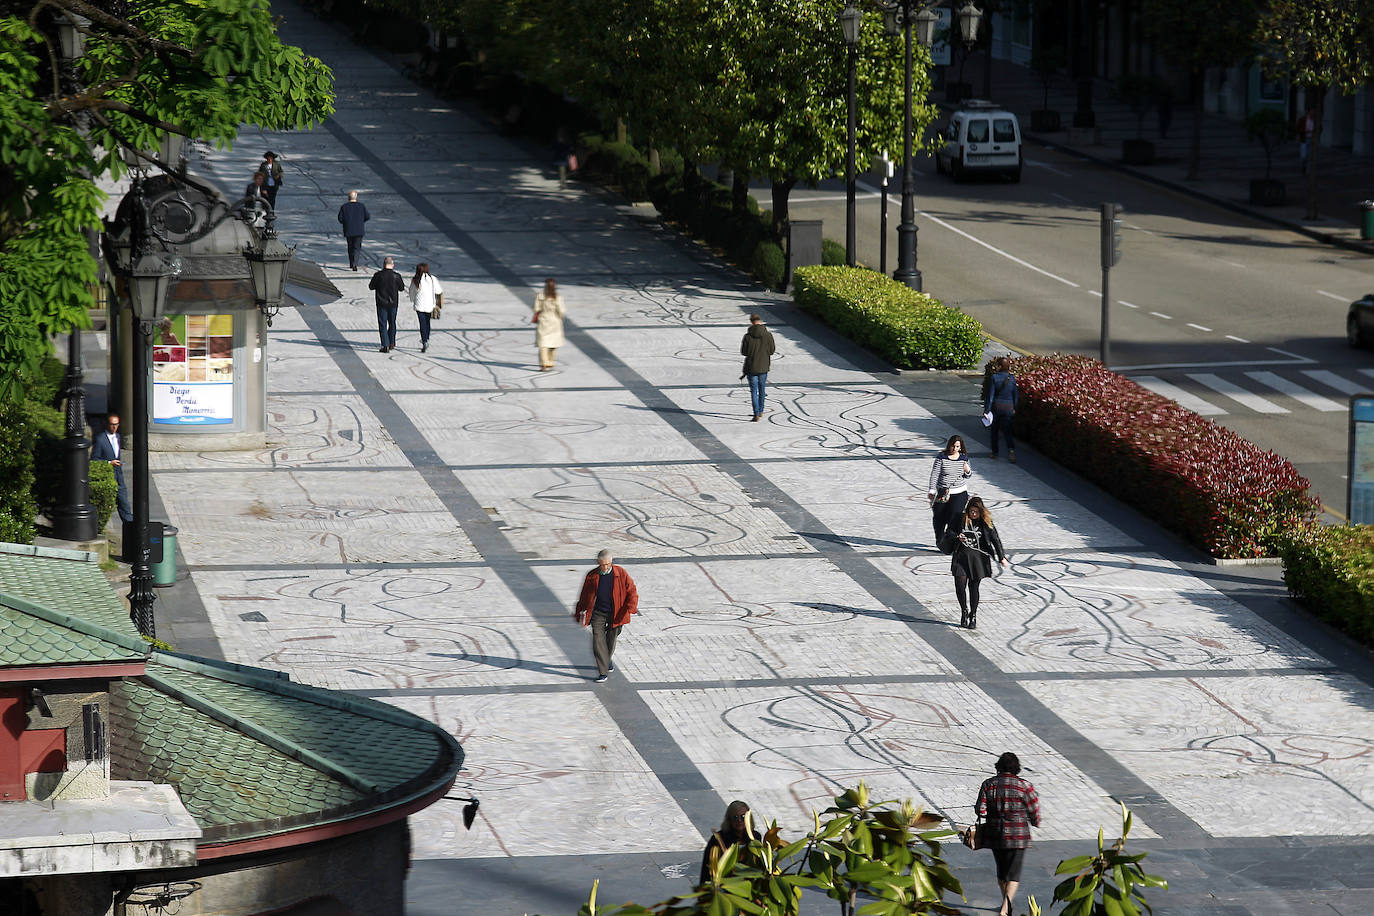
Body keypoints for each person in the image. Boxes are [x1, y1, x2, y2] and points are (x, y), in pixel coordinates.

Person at [975, 752, 1041, 916]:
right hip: (1018, 835)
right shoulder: (1024, 786)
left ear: (998, 767)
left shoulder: (988, 784)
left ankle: (1006, 903)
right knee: (1014, 873)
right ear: (1016, 768)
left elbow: (981, 809)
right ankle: (1005, 909)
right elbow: (1034, 809)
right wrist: (1035, 821)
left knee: (1002, 871)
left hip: (995, 833)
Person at [939, 496, 1007, 629]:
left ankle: (973, 615)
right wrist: (957, 536)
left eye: (976, 512)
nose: (973, 514)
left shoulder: (986, 522)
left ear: (981, 512)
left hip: (978, 559)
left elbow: (995, 539)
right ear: (968, 509)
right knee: (960, 585)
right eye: (971, 511)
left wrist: (1001, 557)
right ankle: (964, 611)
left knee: (973, 587)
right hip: (961, 557)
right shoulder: (959, 518)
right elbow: (949, 531)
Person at [572, 549, 639, 683]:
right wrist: (579, 611)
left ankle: (606, 660)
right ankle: (602, 672)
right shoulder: (591, 576)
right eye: (602, 564)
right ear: (598, 563)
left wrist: (631, 607)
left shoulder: (621, 573)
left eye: (607, 564)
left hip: (616, 612)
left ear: (611, 562)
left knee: (611, 638)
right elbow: (584, 595)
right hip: (598, 613)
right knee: (598, 639)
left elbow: (631, 590)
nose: (605, 567)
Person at [699, 800, 761, 887]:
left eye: (743, 817)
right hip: (724, 886)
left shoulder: (755, 837)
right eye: (735, 817)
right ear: (729, 819)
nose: (739, 820)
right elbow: (707, 867)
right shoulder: (718, 839)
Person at [928, 434, 973, 544]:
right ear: (949, 445)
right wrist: (932, 490)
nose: (954, 449)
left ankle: (952, 541)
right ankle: (940, 539)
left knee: (955, 517)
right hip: (943, 492)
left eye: (957, 446)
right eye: (953, 446)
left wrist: (967, 470)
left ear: (960, 447)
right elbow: (935, 474)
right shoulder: (941, 457)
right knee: (939, 517)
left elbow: (968, 475)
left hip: (959, 492)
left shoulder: (963, 458)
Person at [90, 413, 132, 524]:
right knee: (106, 506)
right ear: (107, 424)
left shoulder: (118, 437)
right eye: (112, 424)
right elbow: (94, 460)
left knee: (124, 504)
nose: (114, 427)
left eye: (116, 424)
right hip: (108, 476)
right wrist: (109, 463)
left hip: (119, 477)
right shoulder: (100, 439)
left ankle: (129, 526)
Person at [740, 313, 775, 422]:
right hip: (763, 366)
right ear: (760, 321)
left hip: (751, 367)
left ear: (751, 322)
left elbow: (744, 352)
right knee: (762, 389)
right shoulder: (768, 335)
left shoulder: (747, 336)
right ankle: (761, 411)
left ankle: (756, 414)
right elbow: (772, 351)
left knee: (754, 391)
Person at [984, 356, 1018, 463]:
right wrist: (1014, 408)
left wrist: (987, 410)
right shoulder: (1012, 378)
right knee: (1007, 431)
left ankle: (995, 452)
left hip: (997, 408)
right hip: (1008, 408)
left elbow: (990, 396)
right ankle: (1011, 451)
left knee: (995, 430)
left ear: (999, 366)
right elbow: (1015, 396)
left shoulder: (994, 378)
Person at [369, 257, 407, 352]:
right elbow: (402, 288)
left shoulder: (378, 275)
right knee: (392, 323)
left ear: (383, 264)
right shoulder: (396, 276)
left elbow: (371, 286)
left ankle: (385, 345)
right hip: (393, 303)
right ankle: (392, 342)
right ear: (392, 265)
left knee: (382, 323)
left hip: (381, 303)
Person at [409, 262, 443, 353]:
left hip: (419, 305)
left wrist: (412, 299)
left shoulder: (415, 280)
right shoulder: (432, 279)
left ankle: (424, 340)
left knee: (422, 323)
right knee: (427, 322)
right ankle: (426, 338)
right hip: (430, 304)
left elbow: (411, 292)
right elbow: (439, 290)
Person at [533, 277, 566, 370]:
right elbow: (561, 311)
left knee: (543, 343)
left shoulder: (540, 296)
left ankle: (543, 363)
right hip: (555, 321)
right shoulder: (557, 297)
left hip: (543, 320)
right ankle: (551, 361)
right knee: (554, 342)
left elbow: (536, 308)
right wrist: (561, 317)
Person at [337, 190, 370, 271]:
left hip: (349, 230)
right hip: (359, 230)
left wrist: (346, 222)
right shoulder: (361, 206)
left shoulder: (344, 207)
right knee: (357, 247)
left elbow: (340, 219)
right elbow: (367, 216)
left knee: (350, 247)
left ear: (348, 198)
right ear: (356, 197)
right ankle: (355, 263)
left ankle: (351, 263)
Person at [1297, 106, 1316, 174]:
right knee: (1303, 156)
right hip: (1304, 139)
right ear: (1308, 112)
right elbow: (1298, 128)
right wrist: (1305, 131)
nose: (1313, 112)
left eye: (1314, 111)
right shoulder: (1303, 119)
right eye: (1312, 111)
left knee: (1309, 156)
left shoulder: (1315, 120)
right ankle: (1303, 166)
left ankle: (1308, 171)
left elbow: (1320, 128)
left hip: (1311, 140)